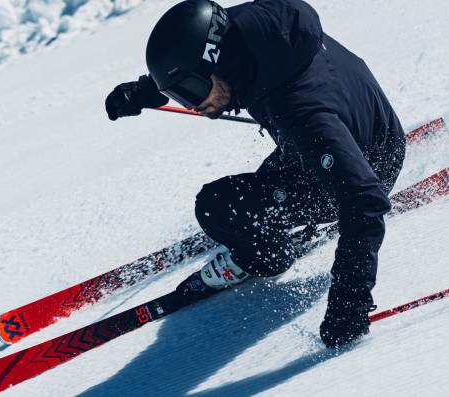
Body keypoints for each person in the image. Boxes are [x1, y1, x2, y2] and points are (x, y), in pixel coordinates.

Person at [104, 0, 405, 349]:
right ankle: (279, 224)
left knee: (217, 206)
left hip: (369, 171)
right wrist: (146, 91)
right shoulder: (252, 31)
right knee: (266, 187)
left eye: (192, 92)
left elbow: (365, 201)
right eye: (179, 94)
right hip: (376, 136)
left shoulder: (301, 109)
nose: (192, 105)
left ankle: (265, 258)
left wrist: (348, 306)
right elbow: (198, 56)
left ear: (215, 63)